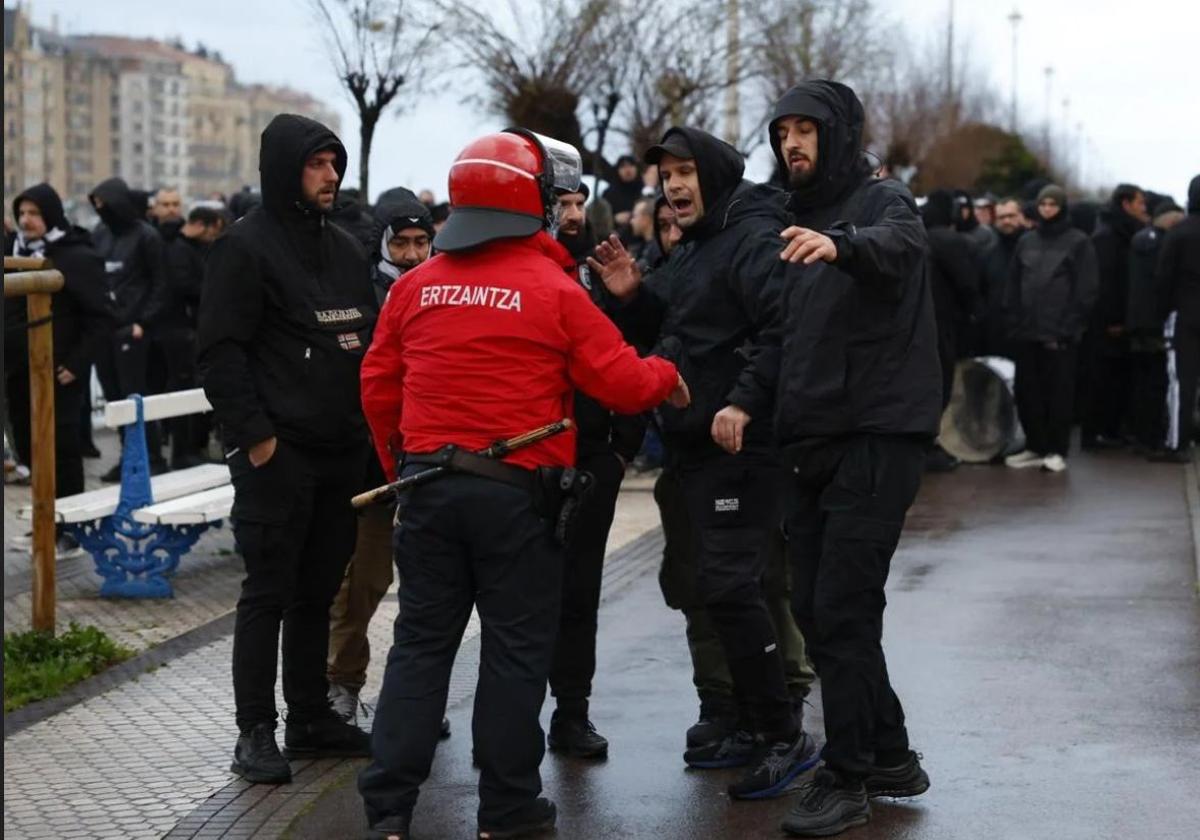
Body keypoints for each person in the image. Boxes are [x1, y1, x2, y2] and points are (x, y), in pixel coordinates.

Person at [355, 128, 686, 840]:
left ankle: (386, 810)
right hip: (518, 499)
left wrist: (401, 471)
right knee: (514, 652)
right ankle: (507, 809)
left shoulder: (414, 288)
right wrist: (668, 374)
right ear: (531, 202)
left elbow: (378, 388)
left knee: (419, 646)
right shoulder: (553, 290)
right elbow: (623, 383)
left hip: (428, 490)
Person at [734, 80, 940, 837]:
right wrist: (745, 399)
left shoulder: (884, 204)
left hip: (877, 435)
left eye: (807, 130)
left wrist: (844, 245)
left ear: (839, 134)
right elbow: (783, 337)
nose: (792, 142)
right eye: (782, 130)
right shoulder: (795, 221)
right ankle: (888, 752)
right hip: (811, 437)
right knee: (822, 609)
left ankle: (847, 776)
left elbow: (901, 250)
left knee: (844, 609)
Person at [590, 125, 819, 800]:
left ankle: (784, 734)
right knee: (711, 588)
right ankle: (749, 722)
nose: (674, 186)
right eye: (666, 177)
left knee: (732, 586)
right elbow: (679, 330)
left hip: (741, 449)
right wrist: (634, 297)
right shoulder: (694, 248)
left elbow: (781, 330)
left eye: (686, 172)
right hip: (693, 445)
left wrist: (744, 402)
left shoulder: (750, 238)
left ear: (713, 174)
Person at [198, 113, 377, 785]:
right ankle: (255, 731)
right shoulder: (243, 249)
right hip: (280, 455)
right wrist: (260, 441)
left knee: (317, 588)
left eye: (335, 163)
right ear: (284, 170)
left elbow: (366, 343)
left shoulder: (347, 249)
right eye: (317, 164)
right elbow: (220, 353)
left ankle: (309, 716)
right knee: (268, 591)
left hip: (340, 453)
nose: (331, 175)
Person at [542, 182, 656, 760]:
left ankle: (572, 712)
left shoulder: (592, 271)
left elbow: (629, 354)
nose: (573, 215)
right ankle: (511, 719)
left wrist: (619, 450)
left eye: (578, 204)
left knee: (579, 593)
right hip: (526, 459)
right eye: (562, 203)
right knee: (520, 595)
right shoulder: (517, 266)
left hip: (591, 458)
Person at [326, 190, 438, 729]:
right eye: (402, 243)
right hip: (377, 466)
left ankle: (413, 698)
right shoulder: (363, 291)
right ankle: (341, 685)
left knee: (429, 592)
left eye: (422, 241)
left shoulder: (446, 287)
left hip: (433, 464)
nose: (414, 253)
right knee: (363, 585)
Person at [5, 183, 114, 555]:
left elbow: (100, 318)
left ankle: (72, 529)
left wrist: (77, 364)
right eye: (21, 213)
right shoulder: (15, 253)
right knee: (29, 449)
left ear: (50, 215)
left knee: (62, 451)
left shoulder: (74, 256)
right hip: (20, 373)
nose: (26, 220)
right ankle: (43, 525)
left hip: (59, 372)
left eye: (34, 213)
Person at [1003, 184, 1099, 473]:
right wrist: (1014, 319)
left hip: (1060, 334)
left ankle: (1057, 448)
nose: (1047, 209)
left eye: (1052, 205)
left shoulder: (1078, 242)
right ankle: (1035, 445)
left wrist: (1070, 326)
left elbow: (1086, 289)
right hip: (1027, 332)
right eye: (1043, 204)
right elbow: (1013, 283)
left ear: (1061, 207)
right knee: (1027, 391)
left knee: (1058, 393)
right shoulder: (1027, 241)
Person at [89, 176, 170, 480]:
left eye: (105, 204)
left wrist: (143, 322)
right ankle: (128, 457)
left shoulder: (146, 236)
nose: (101, 210)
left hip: (135, 330)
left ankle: (151, 458)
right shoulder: (99, 234)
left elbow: (162, 284)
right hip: (106, 328)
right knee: (114, 396)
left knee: (136, 394)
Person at [1082, 183, 1148, 450]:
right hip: (1107, 323)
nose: (1144, 208)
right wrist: (1113, 319)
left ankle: (1109, 429)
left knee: (1117, 378)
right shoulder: (1108, 238)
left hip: (1119, 320)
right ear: (1126, 204)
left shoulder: (1122, 233)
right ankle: (1098, 431)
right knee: (1103, 378)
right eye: (1139, 202)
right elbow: (1106, 283)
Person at [161, 206, 225, 469]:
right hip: (180, 330)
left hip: (189, 329)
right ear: (201, 225)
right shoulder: (179, 250)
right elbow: (184, 285)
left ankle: (188, 448)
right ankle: (182, 452)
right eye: (212, 230)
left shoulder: (189, 248)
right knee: (183, 387)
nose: (213, 236)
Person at [1127, 201, 1184, 455]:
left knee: (1140, 380)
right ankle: (1151, 435)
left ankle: (1140, 434)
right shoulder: (1162, 243)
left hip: (1138, 320)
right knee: (1156, 381)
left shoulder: (1139, 239)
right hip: (1156, 322)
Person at [1157, 174, 1200, 462]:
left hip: (1184, 315)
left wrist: (1161, 314)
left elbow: (1163, 280)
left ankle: (1177, 443)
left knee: (1181, 383)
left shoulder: (1179, 233)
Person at [980, 197, 1027, 356]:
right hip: (996, 332)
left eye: (1011, 216)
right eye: (1002, 217)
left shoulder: (1034, 249)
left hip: (1029, 333)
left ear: (1020, 216)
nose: (1007, 221)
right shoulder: (988, 253)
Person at [602, 154, 644, 232]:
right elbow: (601, 219)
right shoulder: (609, 194)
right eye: (623, 166)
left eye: (631, 165)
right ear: (617, 170)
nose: (627, 170)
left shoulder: (645, 190)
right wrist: (614, 219)